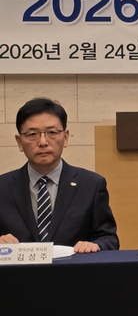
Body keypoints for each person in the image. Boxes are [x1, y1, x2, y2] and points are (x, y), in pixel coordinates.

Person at [0, 98, 119, 252]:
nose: (43, 142)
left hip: (74, 267)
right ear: (19, 142)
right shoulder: (3, 188)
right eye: (32, 134)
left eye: (52, 133)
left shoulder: (91, 185)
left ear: (66, 137)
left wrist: (96, 246)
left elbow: (109, 239)